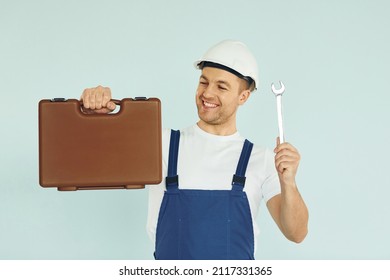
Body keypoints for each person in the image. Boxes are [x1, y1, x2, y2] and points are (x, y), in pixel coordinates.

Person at [80, 40, 309, 260]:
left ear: (243, 96)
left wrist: (289, 182)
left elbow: (296, 233)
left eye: (221, 86)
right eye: (203, 82)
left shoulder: (262, 159)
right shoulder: (161, 143)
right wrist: (96, 116)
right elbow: (92, 156)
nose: (207, 93)